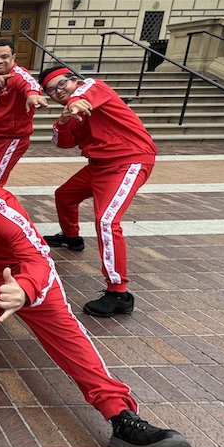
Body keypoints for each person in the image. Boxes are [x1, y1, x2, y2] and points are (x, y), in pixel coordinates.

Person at [0, 146, 190, 447]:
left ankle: (123, 418)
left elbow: (38, 257)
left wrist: (24, 290)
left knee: (67, 340)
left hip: (22, 276)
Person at [39, 65, 158, 317]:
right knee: (65, 195)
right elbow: (62, 144)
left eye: (62, 84)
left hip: (129, 160)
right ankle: (71, 238)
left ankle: (119, 293)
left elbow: (86, 92)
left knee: (107, 221)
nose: (57, 91)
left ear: (73, 79)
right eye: (50, 90)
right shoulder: (71, 109)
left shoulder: (92, 87)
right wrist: (63, 121)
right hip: (99, 165)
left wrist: (75, 101)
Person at [0, 38, 48, 186]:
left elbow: (28, 83)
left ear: (13, 57)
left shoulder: (17, 74)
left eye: (4, 57)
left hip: (11, 138)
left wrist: (33, 95)